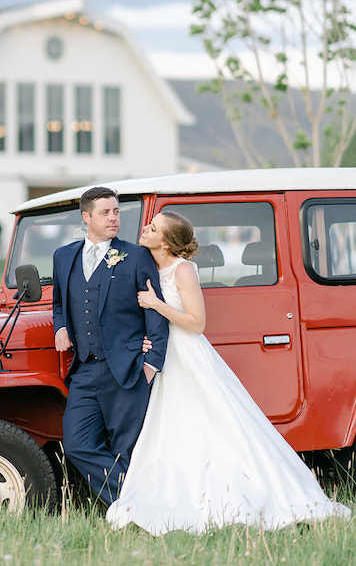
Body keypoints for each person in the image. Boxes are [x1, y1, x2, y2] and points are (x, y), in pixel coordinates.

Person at [106, 211, 350, 534]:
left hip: (189, 354)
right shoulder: (150, 264)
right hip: (167, 355)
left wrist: (156, 304)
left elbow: (197, 322)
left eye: (153, 227)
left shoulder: (183, 270)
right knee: (173, 424)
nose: (146, 228)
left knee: (214, 420)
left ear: (164, 243)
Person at [53, 187, 169, 504]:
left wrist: (151, 363)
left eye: (116, 211)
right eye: (105, 212)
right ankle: (140, 504)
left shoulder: (136, 256)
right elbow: (59, 304)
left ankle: (130, 514)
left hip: (129, 368)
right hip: (85, 371)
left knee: (127, 447)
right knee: (76, 444)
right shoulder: (63, 257)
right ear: (86, 217)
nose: (113, 218)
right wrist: (60, 327)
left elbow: (155, 311)